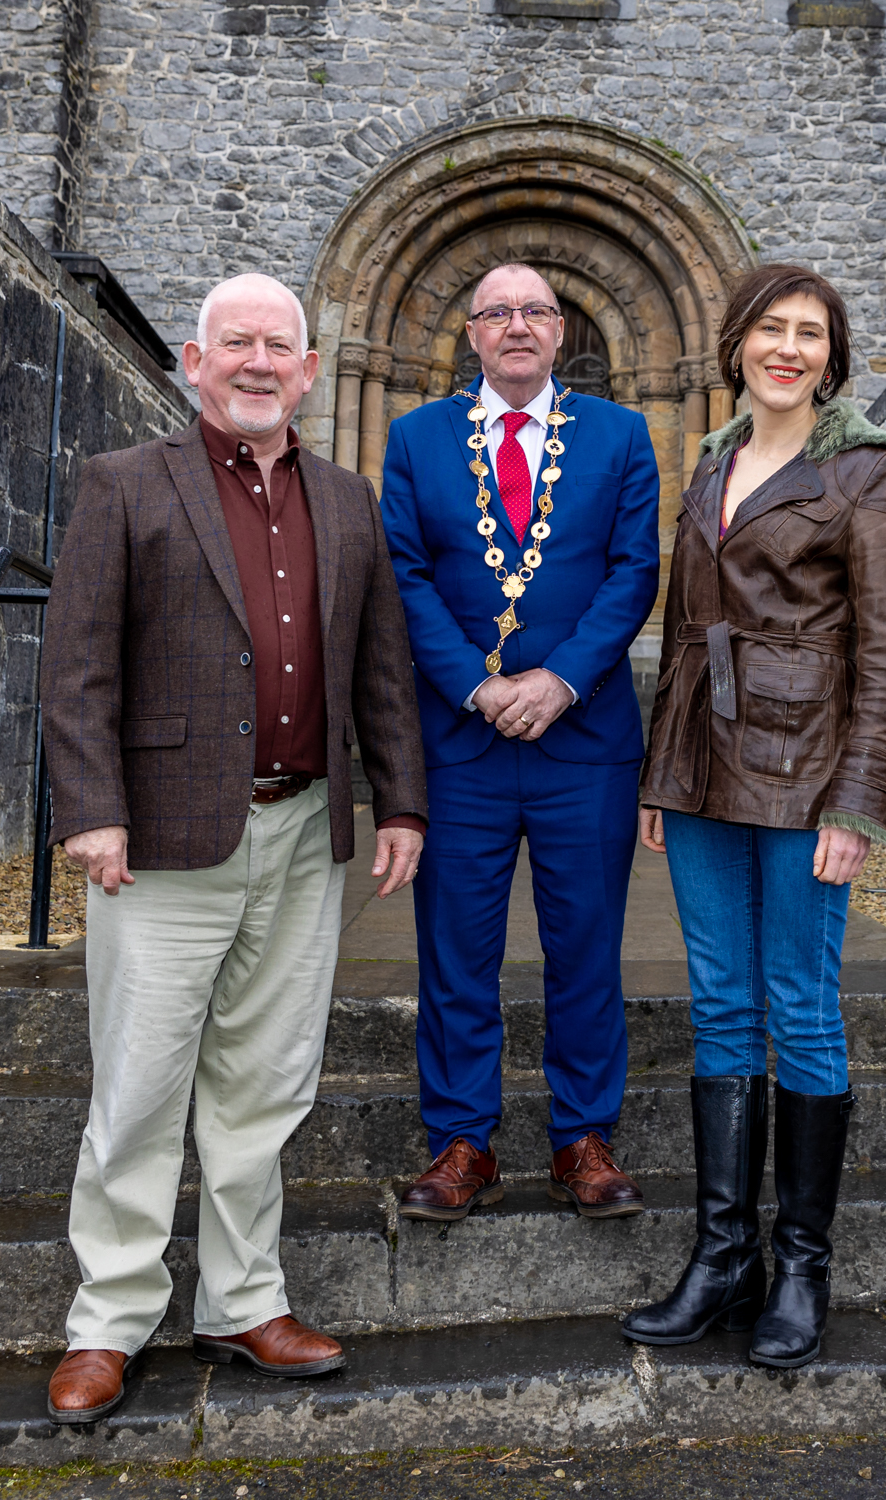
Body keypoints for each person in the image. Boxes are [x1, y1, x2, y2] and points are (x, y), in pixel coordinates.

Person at [39, 272, 428, 1420]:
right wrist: (92, 806)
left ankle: (243, 1300)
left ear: (310, 372)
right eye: (236, 344)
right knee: (143, 1082)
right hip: (160, 835)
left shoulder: (351, 503)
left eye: (281, 346)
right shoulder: (125, 483)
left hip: (304, 831)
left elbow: (383, 673)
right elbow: (77, 664)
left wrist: (401, 803)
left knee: (265, 1087)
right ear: (194, 364)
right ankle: (108, 1319)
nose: (259, 363)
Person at [621, 264, 886, 1369]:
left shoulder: (869, 470)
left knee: (799, 1006)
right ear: (737, 343)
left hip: (806, 773)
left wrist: (859, 799)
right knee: (720, 1007)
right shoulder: (709, 462)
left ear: (832, 355)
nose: (787, 349)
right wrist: (660, 774)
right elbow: (683, 630)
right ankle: (722, 1256)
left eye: (810, 334)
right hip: (701, 771)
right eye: (770, 330)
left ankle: (801, 1266)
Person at [377, 263, 661, 1224]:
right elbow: (404, 575)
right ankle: (463, 1142)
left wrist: (560, 679)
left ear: (561, 327)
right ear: (470, 333)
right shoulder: (414, 439)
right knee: (456, 951)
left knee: (587, 948)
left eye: (535, 310)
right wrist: (476, 683)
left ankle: (584, 1138)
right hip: (461, 743)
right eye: (496, 312)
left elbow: (634, 572)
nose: (516, 326)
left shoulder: (622, 437)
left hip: (586, 741)